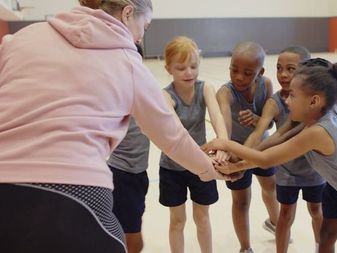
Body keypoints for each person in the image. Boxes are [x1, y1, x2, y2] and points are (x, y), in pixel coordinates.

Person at [0, 1, 230, 252]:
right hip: (75, 189)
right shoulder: (129, 62)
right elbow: (171, 136)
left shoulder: (21, 38)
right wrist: (208, 169)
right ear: (128, 13)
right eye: (145, 25)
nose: (142, 35)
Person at [203, 58, 337, 253]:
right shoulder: (319, 118)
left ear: (314, 101)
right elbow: (275, 145)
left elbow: (266, 159)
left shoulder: (318, 132)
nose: (287, 101)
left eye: (292, 95)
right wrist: (236, 167)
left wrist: (224, 143)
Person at [242, 46, 325, 253]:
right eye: (279, 68)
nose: (283, 74)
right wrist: (243, 155)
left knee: (317, 211)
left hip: (314, 170)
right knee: (285, 215)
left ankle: (321, 248)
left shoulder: (316, 99)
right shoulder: (275, 102)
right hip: (287, 171)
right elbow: (259, 132)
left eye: (290, 69)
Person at [159, 36, 229, 253]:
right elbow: (178, 134)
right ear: (168, 68)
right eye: (181, 68)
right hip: (173, 168)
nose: (188, 72)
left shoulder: (205, 87)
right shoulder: (165, 95)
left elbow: (217, 117)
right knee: (177, 220)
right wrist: (202, 158)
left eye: (193, 66)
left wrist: (224, 144)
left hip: (201, 166)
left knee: (202, 217)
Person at [215, 41, 279, 253]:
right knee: (241, 202)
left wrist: (256, 119)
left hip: (261, 150)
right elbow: (223, 125)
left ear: (260, 72)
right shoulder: (225, 93)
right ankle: (245, 248)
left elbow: (269, 123)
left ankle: (274, 222)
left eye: (247, 73)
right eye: (234, 70)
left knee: (271, 189)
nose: (239, 77)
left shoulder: (266, 85)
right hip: (235, 156)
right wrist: (226, 149)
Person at [107, 43, 150, 253]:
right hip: (121, 173)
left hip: (138, 173)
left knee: (132, 231)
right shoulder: (114, 92)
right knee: (131, 235)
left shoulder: (144, 91)